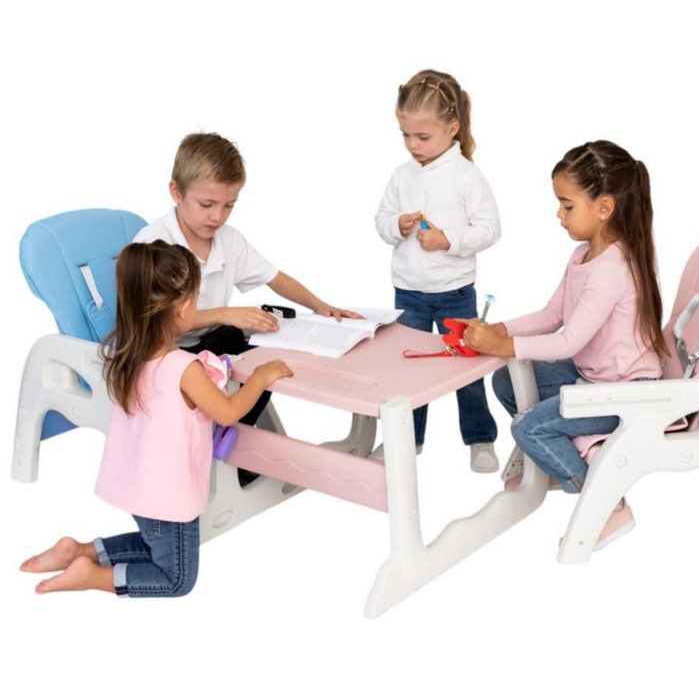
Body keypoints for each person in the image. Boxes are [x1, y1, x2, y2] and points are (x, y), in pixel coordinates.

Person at [20, 241, 292, 596]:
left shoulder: (126, 356)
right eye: (196, 299)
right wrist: (259, 378)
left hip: (139, 486)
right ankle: (91, 576)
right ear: (182, 308)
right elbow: (227, 412)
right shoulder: (185, 369)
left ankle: (80, 551)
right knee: (176, 578)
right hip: (167, 493)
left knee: (157, 544)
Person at [463, 140, 665, 547]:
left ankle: (607, 502)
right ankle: (559, 460)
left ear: (604, 208)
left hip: (625, 392)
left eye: (567, 205)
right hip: (591, 377)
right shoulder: (583, 255)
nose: (559, 214)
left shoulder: (612, 269)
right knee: (506, 381)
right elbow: (552, 314)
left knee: (529, 428)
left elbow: (566, 341)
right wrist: (498, 330)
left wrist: (505, 346)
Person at [134, 132, 359, 424]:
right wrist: (225, 314)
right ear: (176, 192)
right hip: (165, 351)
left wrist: (321, 306)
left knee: (270, 364)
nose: (218, 216)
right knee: (246, 367)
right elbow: (153, 325)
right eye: (207, 204)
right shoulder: (154, 246)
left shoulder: (228, 239)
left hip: (209, 341)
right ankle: (221, 435)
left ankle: (237, 436)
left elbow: (274, 277)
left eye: (229, 205)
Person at [375, 69, 500, 472]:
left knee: (466, 369)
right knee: (408, 370)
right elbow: (381, 220)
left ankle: (480, 439)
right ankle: (407, 440)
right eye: (405, 135)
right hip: (408, 292)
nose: (413, 145)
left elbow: (489, 229)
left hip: (454, 292)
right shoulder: (401, 175)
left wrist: (448, 240)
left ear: (452, 128)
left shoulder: (467, 176)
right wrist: (397, 226)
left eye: (423, 136)